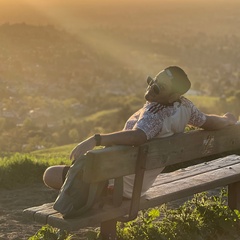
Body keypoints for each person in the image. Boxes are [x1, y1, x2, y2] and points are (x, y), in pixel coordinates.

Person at [43, 66, 237, 199]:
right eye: (153, 80)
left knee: (50, 174)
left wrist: (96, 139)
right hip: (138, 186)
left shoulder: (153, 116)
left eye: (159, 87)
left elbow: (138, 136)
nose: (151, 87)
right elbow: (209, 121)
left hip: (116, 186)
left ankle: (92, 195)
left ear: (172, 95)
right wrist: (228, 120)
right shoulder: (185, 107)